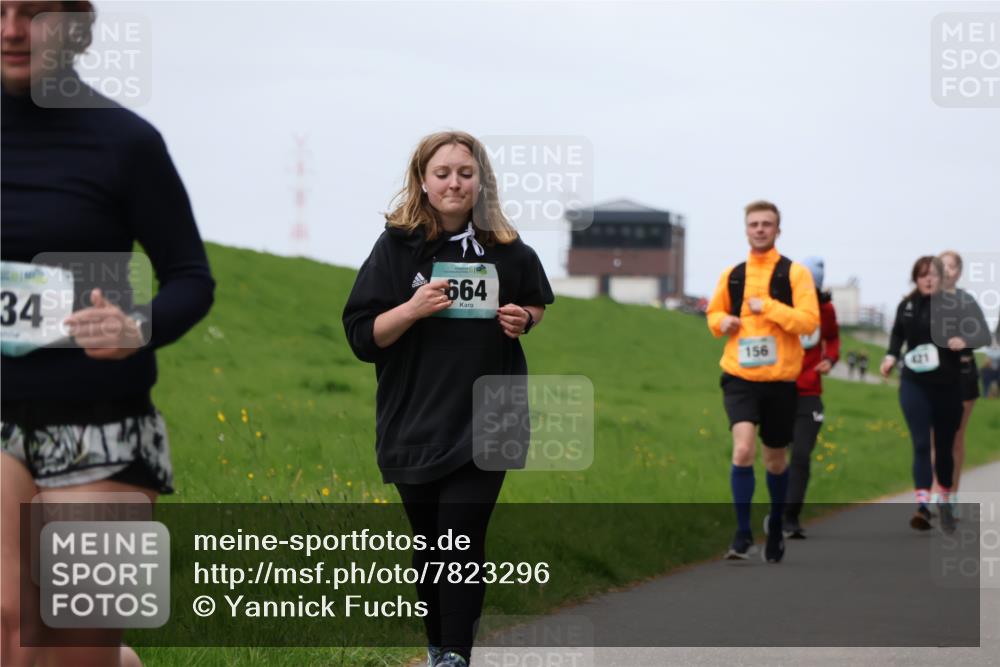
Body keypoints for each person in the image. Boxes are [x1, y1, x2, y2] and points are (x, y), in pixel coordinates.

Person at [1, 3, 215, 667]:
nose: (11, 29)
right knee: (7, 622)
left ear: (79, 27)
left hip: (106, 424)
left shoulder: (126, 142)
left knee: (73, 635)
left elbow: (190, 277)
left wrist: (137, 326)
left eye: (33, 12)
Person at [343, 131, 554, 667]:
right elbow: (363, 336)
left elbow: (535, 301)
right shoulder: (395, 248)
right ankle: (439, 647)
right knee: (431, 548)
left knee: (461, 540)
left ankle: (455, 656)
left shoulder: (508, 249)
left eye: (465, 172)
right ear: (423, 181)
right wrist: (412, 309)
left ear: (481, 181)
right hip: (415, 417)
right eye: (443, 173)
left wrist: (522, 319)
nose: (455, 182)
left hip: (491, 416)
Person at [706, 200, 819, 563]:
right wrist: (722, 323)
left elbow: (808, 322)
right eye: (753, 223)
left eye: (766, 224)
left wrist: (767, 306)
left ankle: (775, 525)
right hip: (739, 376)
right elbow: (714, 313)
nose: (759, 229)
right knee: (742, 450)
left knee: (774, 460)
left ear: (777, 230)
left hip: (781, 381)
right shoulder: (733, 274)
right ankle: (741, 535)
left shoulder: (795, 274)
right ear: (746, 229)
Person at [879, 257, 987, 533]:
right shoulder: (908, 306)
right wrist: (891, 357)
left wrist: (964, 341)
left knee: (945, 445)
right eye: (922, 275)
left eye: (933, 275)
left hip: (948, 386)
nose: (928, 280)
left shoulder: (955, 306)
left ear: (942, 278)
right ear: (915, 278)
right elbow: (896, 336)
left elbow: (981, 334)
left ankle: (946, 499)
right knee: (920, 444)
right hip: (914, 383)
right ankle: (922, 506)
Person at [783, 256, 840, 538]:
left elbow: (833, 338)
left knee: (801, 455)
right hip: (778, 389)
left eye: (810, 283)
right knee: (777, 457)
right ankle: (777, 510)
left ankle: (790, 517)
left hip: (809, 392)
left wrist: (830, 359)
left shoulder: (825, 309)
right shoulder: (781, 304)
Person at [933, 251, 991, 501]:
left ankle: (952, 496)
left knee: (955, 437)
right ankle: (938, 491)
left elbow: (985, 336)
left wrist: (965, 339)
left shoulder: (967, 301)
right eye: (942, 265)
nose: (948, 270)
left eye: (952, 266)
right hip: (933, 377)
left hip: (963, 375)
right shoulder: (926, 300)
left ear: (959, 272)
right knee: (935, 437)